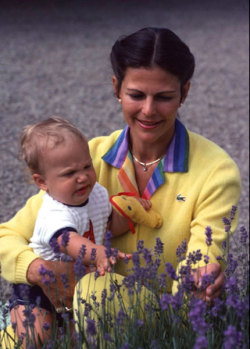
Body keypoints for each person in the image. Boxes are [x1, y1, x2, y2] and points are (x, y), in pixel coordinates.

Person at [0, 27, 241, 344]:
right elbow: (9, 235)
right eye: (137, 95)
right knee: (21, 335)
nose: (149, 110)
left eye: (165, 97)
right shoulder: (91, 159)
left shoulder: (216, 171)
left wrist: (199, 277)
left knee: (91, 290)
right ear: (117, 88)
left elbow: (203, 252)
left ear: (184, 92)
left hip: (158, 319)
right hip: (72, 309)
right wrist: (38, 270)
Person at [8, 116, 152, 346]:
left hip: (78, 284)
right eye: (69, 173)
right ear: (42, 182)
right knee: (34, 336)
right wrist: (98, 254)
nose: (83, 176)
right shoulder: (54, 212)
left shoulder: (96, 193)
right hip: (37, 289)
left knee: (79, 336)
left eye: (86, 166)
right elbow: (67, 241)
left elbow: (109, 226)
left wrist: (129, 214)